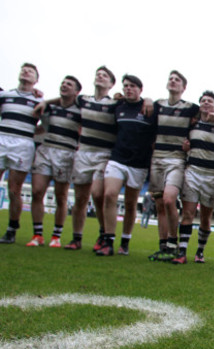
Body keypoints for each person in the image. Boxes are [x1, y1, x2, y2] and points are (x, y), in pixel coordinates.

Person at [42, 66, 119, 251]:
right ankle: (77, 238)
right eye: (98, 74)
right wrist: (44, 102)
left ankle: (103, 234)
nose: (100, 77)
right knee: (80, 198)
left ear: (111, 83)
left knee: (98, 194)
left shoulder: (115, 104)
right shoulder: (83, 100)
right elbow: (64, 99)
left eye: (104, 75)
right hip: (83, 153)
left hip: (104, 154)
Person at [96, 74, 157, 256]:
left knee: (131, 204)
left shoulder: (150, 109)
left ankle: (125, 240)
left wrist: (149, 99)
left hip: (139, 163)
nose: (128, 89)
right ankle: (108, 240)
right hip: (117, 159)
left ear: (140, 89)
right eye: (126, 86)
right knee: (109, 195)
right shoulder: (118, 107)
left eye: (132, 86)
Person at [148, 71, 200, 261]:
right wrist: (146, 98)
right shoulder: (157, 105)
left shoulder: (190, 108)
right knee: (160, 204)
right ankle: (164, 246)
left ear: (183, 87)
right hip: (157, 159)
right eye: (170, 78)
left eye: (177, 80)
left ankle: (173, 241)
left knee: (169, 200)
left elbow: (205, 116)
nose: (173, 81)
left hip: (177, 159)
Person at [26, 76, 82, 248]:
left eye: (69, 84)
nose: (64, 85)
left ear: (77, 91)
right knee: (36, 192)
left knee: (61, 196)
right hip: (46, 150)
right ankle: (38, 234)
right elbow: (40, 125)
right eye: (63, 83)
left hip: (66, 154)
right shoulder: (49, 107)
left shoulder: (81, 111)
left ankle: (56, 236)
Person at [171, 91, 214, 264]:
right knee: (187, 213)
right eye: (203, 100)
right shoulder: (192, 124)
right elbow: (185, 143)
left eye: (210, 101)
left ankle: (200, 251)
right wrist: (187, 148)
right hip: (192, 172)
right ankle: (182, 251)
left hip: (213, 176)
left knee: (205, 217)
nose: (206, 103)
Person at [0, 63, 43, 244]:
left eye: (30, 71)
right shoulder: (5, 95)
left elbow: (46, 126)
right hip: (2, 139)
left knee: (14, 190)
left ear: (36, 79)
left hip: (23, 145)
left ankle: (11, 229)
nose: (26, 72)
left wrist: (28, 133)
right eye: (23, 69)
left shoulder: (40, 102)